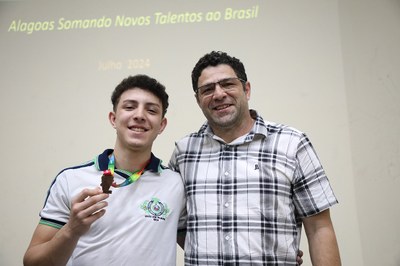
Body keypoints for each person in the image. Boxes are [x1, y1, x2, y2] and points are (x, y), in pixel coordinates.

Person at [169, 51, 341, 265]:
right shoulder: (184, 153)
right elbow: (178, 224)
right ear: (198, 99)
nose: (219, 94)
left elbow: (319, 228)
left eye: (228, 84)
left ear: (246, 89)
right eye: (208, 89)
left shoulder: (292, 143)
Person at [24, 74, 186, 266]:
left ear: (162, 125)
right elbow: (32, 262)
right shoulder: (70, 179)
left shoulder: (176, 184)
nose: (140, 115)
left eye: (151, 110)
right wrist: (72, 230)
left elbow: (200, 245)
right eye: (129, 107)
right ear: (113, 118)